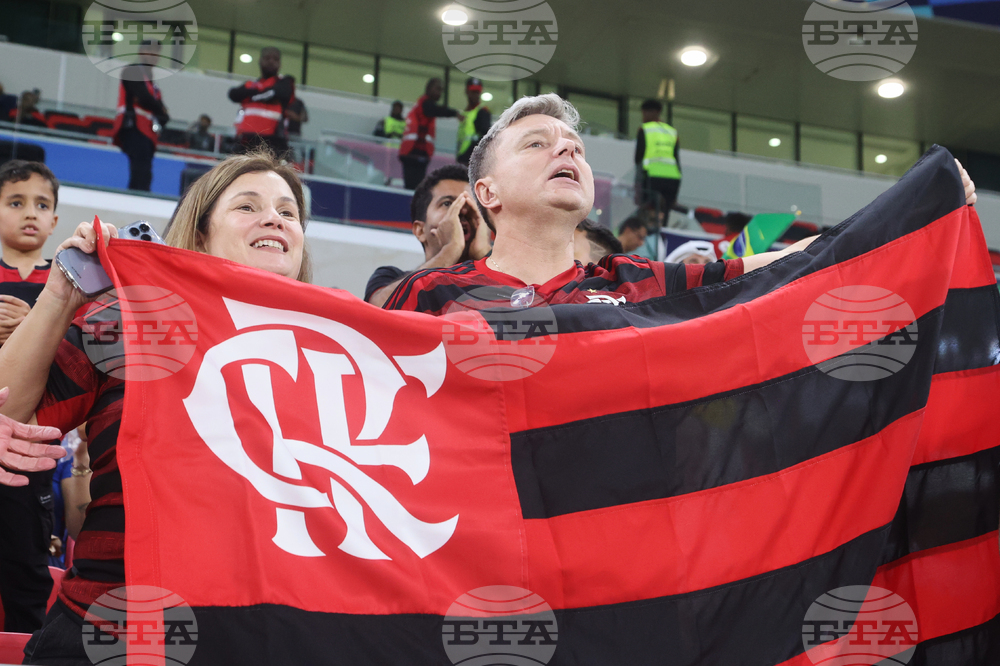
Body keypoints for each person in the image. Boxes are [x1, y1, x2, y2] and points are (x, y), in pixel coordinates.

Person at [0, 149, 309, 664]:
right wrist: (60, 296)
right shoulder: (130, 318)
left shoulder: (341, 351)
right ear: (201, 233)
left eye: (288, 212)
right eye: (248, 206)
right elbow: (9, 413)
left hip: (263, 636)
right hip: (110, 626)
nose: (274, 219)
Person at [382, 94, 978, 315]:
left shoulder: (638, 282)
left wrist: (912, 209)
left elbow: (791, 262)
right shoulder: (426, 296)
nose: (566, 150)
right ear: (486, 193)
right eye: (537, 144)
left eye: (576, 147)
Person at [0, 160, 61, 633]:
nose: (29, 213)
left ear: (55, 221)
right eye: (16, 202)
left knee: (26, 574)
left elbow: (75, 365)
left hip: (31, 451)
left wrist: (34, 331)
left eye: (41, 205)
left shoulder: (67, 287)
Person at [365, 164, 491, 307]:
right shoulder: (389, 277)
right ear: (420, 231)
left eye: (471, 204)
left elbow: (512, 306)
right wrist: (451, 249)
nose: (462, 210)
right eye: (447, 203)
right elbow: (378, 308)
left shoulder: (500, 281)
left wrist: (484, 253)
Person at [112, 44, 170, 191]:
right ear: (141, 52)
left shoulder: (152, 83)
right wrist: (157, 107)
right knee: (139, 171)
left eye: (156, 52)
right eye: (149, 50)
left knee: (145, 174)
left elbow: (164, 115)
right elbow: (144, 98)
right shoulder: (132, 71)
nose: (153, 55)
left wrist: (155, 106)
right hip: (133, 127)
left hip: (147, 132)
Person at [228, 47, 295, 158]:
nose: (271, 61)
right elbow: (233, 94)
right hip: (245, 140)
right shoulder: (251, 84)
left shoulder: (284, 82)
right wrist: (264, 94)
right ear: (260, 61)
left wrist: (251, 96)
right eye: (267, 58)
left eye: (275, 59)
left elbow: (280, 93)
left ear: (280, 63)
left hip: (273, 142)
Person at [398, 78, 462, 190]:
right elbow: (435, 110)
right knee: (414, 189)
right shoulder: (425, 104)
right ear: (428, 89)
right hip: (414, 152)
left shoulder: (421, 104)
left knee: (415, 188)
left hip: (416, 153)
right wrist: (454, 113)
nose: (440, 93)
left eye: (441, 90)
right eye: (437, 89)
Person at [635, 99, 682, 218]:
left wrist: (637, 186)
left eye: (644, 113)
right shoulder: (672, 131)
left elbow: (638, 158)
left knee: (648, 213)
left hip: (652, 176)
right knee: (665, 214)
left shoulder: (645, 129)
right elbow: (676, 159)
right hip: (673, 178)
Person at [456, 78, 492, 165]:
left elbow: (484, 137)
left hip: (471, 161)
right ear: (467, 92)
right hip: (462, 158)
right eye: (473, 92)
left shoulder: (482, 112)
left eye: (477, 92)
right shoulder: (465, 113)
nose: (475, 95)